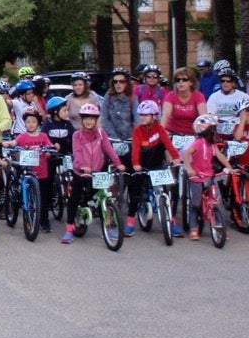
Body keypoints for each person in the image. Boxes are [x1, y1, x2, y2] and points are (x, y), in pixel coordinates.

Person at [64, 103, 124, 243]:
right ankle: (69, 229)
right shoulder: (77, 136)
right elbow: (77, 153)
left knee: (102, 196)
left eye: (91, 118)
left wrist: (118, 164)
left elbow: (109, 150)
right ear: (81, 120)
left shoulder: (101, 134)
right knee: (75, 198)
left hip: (98, 170)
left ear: (96, 119)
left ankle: (108, 227)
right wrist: (82, 166)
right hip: (82, 172)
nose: (88, 121)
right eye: (86, 118)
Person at [125, 100, 179, 236]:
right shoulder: (137, 131)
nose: (142, 117)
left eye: (146, 115)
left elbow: (168, 144)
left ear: (154, 116)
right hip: (141, 166)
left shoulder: (160, 129)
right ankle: (130, 222)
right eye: (141, 115)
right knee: (135, 192)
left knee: (170, 190)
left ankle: (172, 222)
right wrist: (136, 163)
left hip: (157, 166)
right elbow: (136, 149)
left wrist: (176, 157)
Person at [180, 114, 236, 241]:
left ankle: (220, 227)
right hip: (197, 177)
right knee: (195, 204)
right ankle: (194, 228)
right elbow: (186, 154)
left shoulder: (212, 144)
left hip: (209, 176)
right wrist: (190, 169)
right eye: (213, 130)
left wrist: (229, 167)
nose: (215, 133)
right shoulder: (199, 143)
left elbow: (220, 156)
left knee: (217, 201)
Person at [13, 109, 55, 234]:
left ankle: (44, 220)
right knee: (27, 195)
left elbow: (50, 147)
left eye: (33, 121)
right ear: (24, 123)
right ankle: (28, 216)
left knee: (43, 197)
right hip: (28, 171)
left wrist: (51, 150)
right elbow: (14, 143)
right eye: (28, 122)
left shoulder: (43, 136)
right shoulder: (22, 136)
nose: (31, 124)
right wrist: (9, 144)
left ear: (38, 123)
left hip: (42, 172)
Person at [160, 67, 206, 140]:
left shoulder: (199, 96)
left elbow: (203, 117)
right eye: (178, 80)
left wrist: (203, 134)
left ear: (191, 82)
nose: (180, 82)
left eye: (184, 80)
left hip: (193, 135)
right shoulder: (170, 96)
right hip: (172, 133)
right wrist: (162, 131)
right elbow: (165, 116)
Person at [101, 68, 136, 142]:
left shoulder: (132, 97)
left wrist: (134, 135)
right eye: (115, 81)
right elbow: (104, 118)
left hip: (129, 138)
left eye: (122, 81)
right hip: (112, 138)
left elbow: (137, 118)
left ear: (127, 83)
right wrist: (113, 135)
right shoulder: (108, 96)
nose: (118, 84)